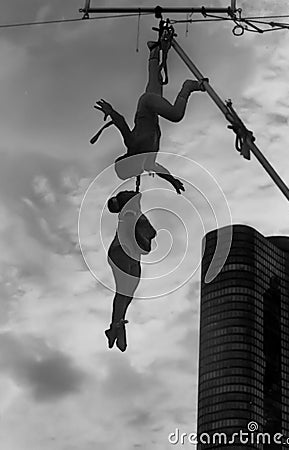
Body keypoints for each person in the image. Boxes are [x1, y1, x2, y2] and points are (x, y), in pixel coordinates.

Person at [94, 41, 204, 194]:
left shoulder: (132, 144)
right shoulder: (148, 162)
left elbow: (121, 123)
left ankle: (188, 87)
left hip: (146, 105)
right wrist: (172, 180)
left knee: (176, 115)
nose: (137, 172)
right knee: (154, 79)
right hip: (151, 108)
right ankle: (154, 51)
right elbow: (160, 170)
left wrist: (110, 111)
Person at [105, 190, 157, 351]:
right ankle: (116, 324)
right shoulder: (129, 212)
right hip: (122, 250)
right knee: (123, 291)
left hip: (132, 255)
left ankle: (118, 324)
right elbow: (140, 230)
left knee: (128, 293)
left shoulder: (135, 211)